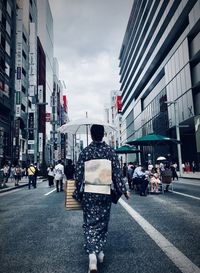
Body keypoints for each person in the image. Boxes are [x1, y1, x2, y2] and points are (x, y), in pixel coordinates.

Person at [73, 124, 129, 273]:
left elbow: (78, 175)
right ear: (103, 134)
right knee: (102, 223)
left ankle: (92, 254)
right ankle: (100, 251)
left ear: (91, 135)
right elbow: (116, 173)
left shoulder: (85, 152)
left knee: (90, 223)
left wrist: (77, 191)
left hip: (89, 192)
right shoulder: (109, 151)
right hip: (104, 191)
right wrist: (123, 190)